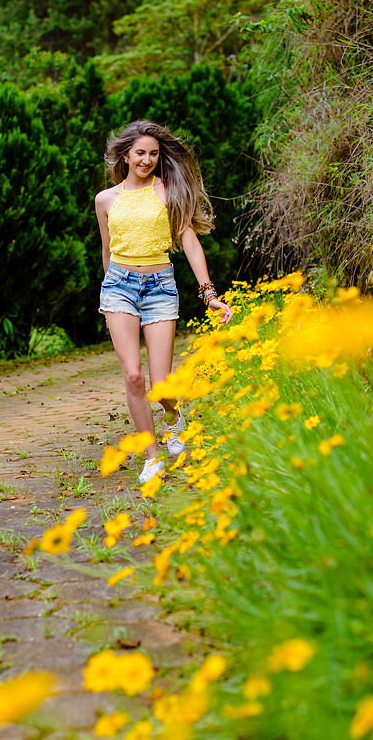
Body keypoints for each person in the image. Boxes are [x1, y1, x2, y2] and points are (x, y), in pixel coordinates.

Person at [95, 120, 233, 483]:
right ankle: (152, 456)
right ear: (126, 155)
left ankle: (174, 417)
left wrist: (209, 295)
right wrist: (109, 296)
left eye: (153, 154)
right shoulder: (105, 200)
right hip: (119, 287)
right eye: (140, 153)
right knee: (134, 376)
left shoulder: (169, 192)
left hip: (159, 288)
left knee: (160, 386)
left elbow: (189, 242)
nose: (147, 160)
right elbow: (107, 251)